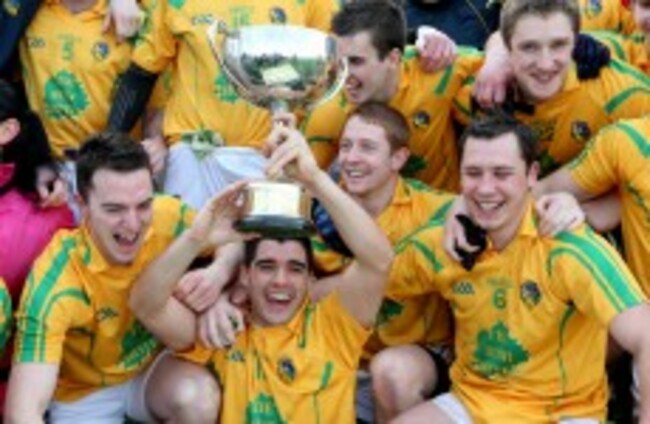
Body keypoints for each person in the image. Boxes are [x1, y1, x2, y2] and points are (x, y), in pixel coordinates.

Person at [382, 114, 650, 423]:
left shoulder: (569, 247)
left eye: (502, 173)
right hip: (474, 400)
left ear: (532, 175)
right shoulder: (445, 240)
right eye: (473, 173)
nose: (485, 188)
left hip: (562, 412)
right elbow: (372, 281)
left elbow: (645, 333)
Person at [128, 113, 394, 423]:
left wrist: (314, 178)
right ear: (244, 275)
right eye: (267, 266)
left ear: (310, 279)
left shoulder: (334, 325)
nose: (281, 280)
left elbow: (379, 261)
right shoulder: (223, 330)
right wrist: (195, 240)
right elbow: (146, 305)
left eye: (295, 268)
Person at [5, 132, 219, 423]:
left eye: (142, 205)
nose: (132, 224)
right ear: (82, 204)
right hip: (82, 393)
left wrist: (218, 275)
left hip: (150, 368)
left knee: (199, 400)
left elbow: (230, 237)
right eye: (114, 209)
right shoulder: (55, 279)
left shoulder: (165, 214)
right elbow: (21, 412)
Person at [106, 0, 339, 209]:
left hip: (267, 157)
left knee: (261, 244)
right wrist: (106, 151)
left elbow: (331, 60)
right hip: (193, 154)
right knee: (187, 241)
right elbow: (142, 72)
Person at [304, 0, 484, 192]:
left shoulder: (437, 69)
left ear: (393, 58)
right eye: (338, 62)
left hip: (444, 208)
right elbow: (300, 184)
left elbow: (499, 62)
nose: (343, 74)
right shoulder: (328, 108)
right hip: (360, 210)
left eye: (355, 62)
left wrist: (499, 56)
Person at [456, 0, 650, 177]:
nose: (545, 64)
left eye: (559, 45)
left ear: (576, 42)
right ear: (507, 48)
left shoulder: (624, 93)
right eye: (529, 47)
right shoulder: (471, 91)